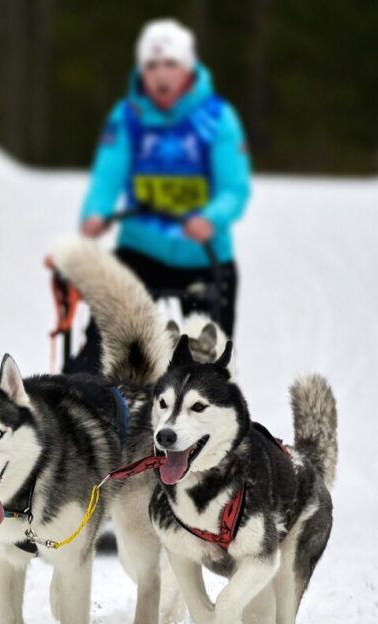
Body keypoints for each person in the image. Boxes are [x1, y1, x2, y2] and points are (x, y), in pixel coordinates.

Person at [69, 18, 251, 373]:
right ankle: (82, 401)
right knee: (102, 343)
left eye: (170, 64)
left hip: (206, 258)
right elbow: (106, 178)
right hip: (140, 253)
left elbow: (235, 188)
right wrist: (96, 213)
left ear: (188, 69)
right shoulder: (127, 118)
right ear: (142, 71)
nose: (160, 74)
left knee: (206, 364)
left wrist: (210, 219)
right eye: (151, 66)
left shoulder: (217, 118)